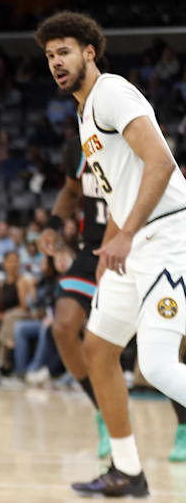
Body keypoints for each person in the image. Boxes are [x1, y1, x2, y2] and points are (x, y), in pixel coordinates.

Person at [37, 11, 186, 496]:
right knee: (99, 349)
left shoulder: (112, 92)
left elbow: (160, 163)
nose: (56, 63)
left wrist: (126, 233)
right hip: (131, 242)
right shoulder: (84, 114)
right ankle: (127, 470)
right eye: (49, 56)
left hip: (167, 236)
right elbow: (122, 185)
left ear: (89, 52)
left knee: (158, 366)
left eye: (64, 52)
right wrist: (112, 242)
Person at [41, 132, 186, 460]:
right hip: (93, 248)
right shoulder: (78, 145)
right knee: (64, 327)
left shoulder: (134, 137)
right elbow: (71, 190)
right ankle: (106, 412)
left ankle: (183, 424)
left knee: (167, 346)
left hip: (143, 240)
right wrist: (53, 223)